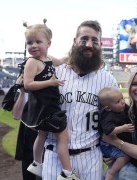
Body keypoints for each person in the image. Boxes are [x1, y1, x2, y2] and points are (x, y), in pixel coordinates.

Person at [42, 20, 118, 180]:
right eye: (84, 39)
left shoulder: (108, 80)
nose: (89, 44)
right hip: (54, 155)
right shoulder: (54, 72)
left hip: (91, 157)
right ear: (75, 41)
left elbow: (115, 118)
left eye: (94, 40)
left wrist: (113, 149)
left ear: (100, 44)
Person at [20, 19, 78, 180]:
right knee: (63, 136)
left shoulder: (49, 59)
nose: (33, 45)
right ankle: (67, 172)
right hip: (45, 108)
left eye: (38, 41)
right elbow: (28, 84)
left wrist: (72, 55)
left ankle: (37, 164)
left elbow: (61, 61)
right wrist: (50, 82)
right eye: (29, 42)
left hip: (47, 106)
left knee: (42, 134)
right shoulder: (32, 62)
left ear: (48, 43)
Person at [98, 87, 134, 180]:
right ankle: (110, 173)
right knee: (125, 156)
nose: (122, 102)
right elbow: (109, 131)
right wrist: (123, 128)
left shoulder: (121, 107)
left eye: (122, 98)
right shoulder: (108, 115)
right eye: (118, 101)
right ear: (108, 108)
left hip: (114, 143)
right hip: (107, 145)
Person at [13, 75, 41, 180]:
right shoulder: (23, 91)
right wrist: (22, 92)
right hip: (28, 144)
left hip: (46, 143)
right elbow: (16, 115)